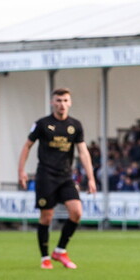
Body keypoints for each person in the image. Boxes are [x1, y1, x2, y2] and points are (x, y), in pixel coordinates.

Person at [17, 88, 97, 269]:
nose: (62, 104)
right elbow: (27, 146)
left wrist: (91, 178)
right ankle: (44, 257)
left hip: (66, 176)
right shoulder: (42, 124)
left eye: (65, 100)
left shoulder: (75, 125)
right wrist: (21, 171)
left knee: (76, 212)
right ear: (52, 103)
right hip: (46, 175)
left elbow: (83, 152)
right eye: (58, 100)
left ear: (70, 103)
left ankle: (60, 250)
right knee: (46, 217)